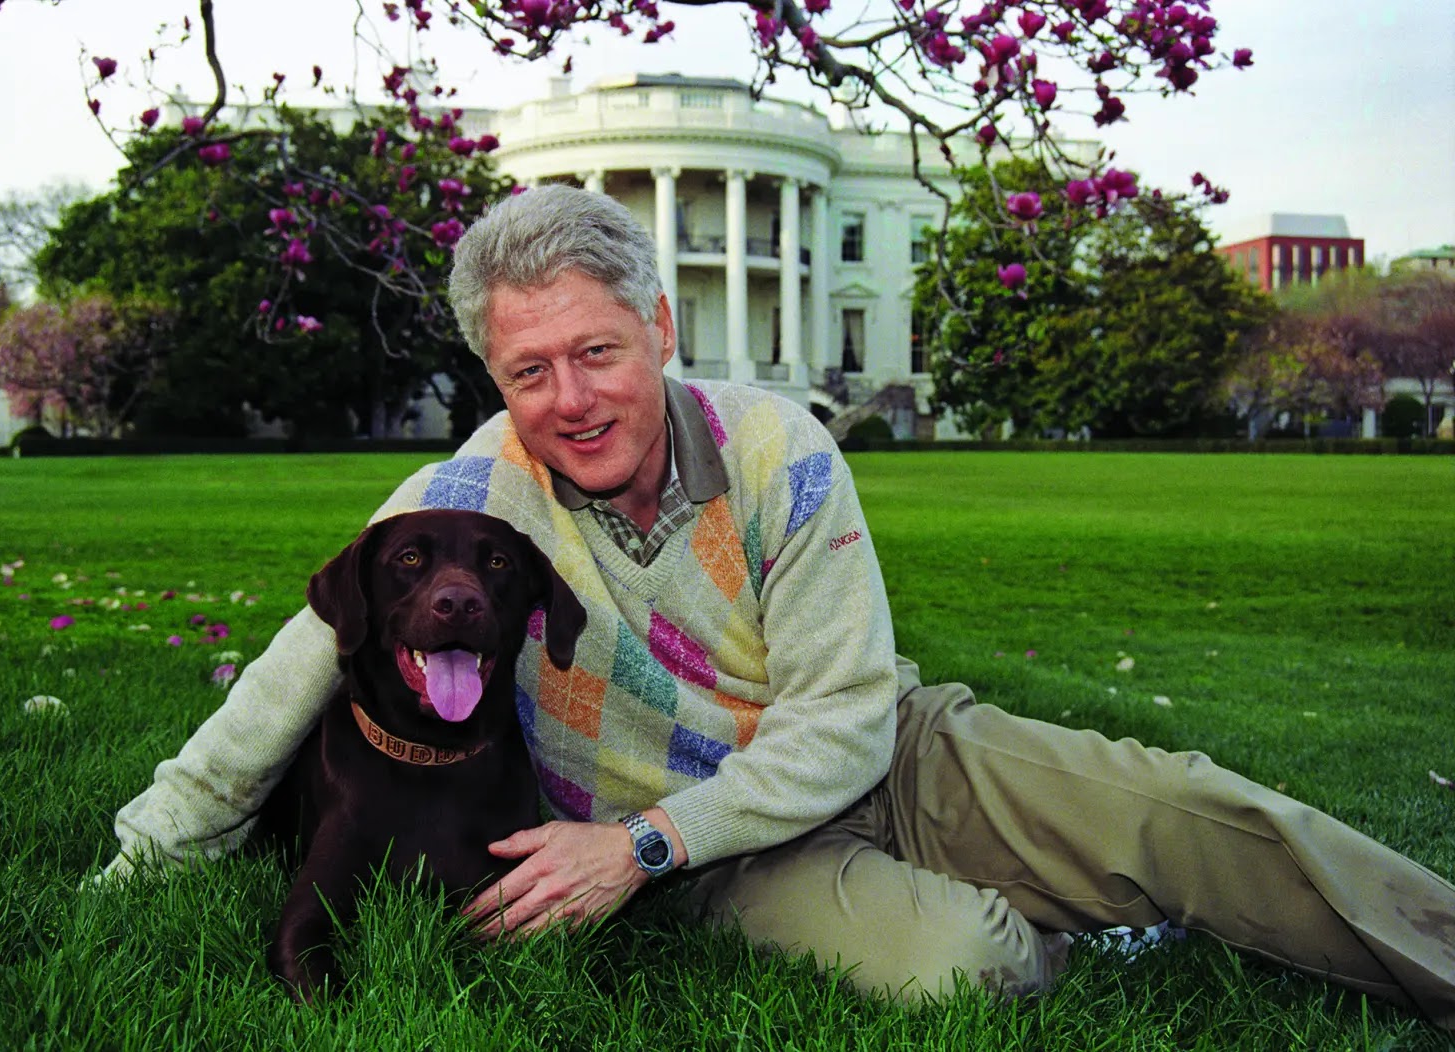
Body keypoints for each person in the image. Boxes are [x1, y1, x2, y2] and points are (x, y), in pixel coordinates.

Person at [103, 185, 1455, 1028]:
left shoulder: (777, 447)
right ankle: (1066, 923)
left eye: (595, 352)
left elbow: (852, 716)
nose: (570, 400)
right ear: (495, 382)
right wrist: (145, 854)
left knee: (1191, 814)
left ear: (660, 331)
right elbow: (284, 689)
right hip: (711, 850)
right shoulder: (463, 504)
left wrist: (628, 849)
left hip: (893, 754)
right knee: (964, 974)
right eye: (529, 372)